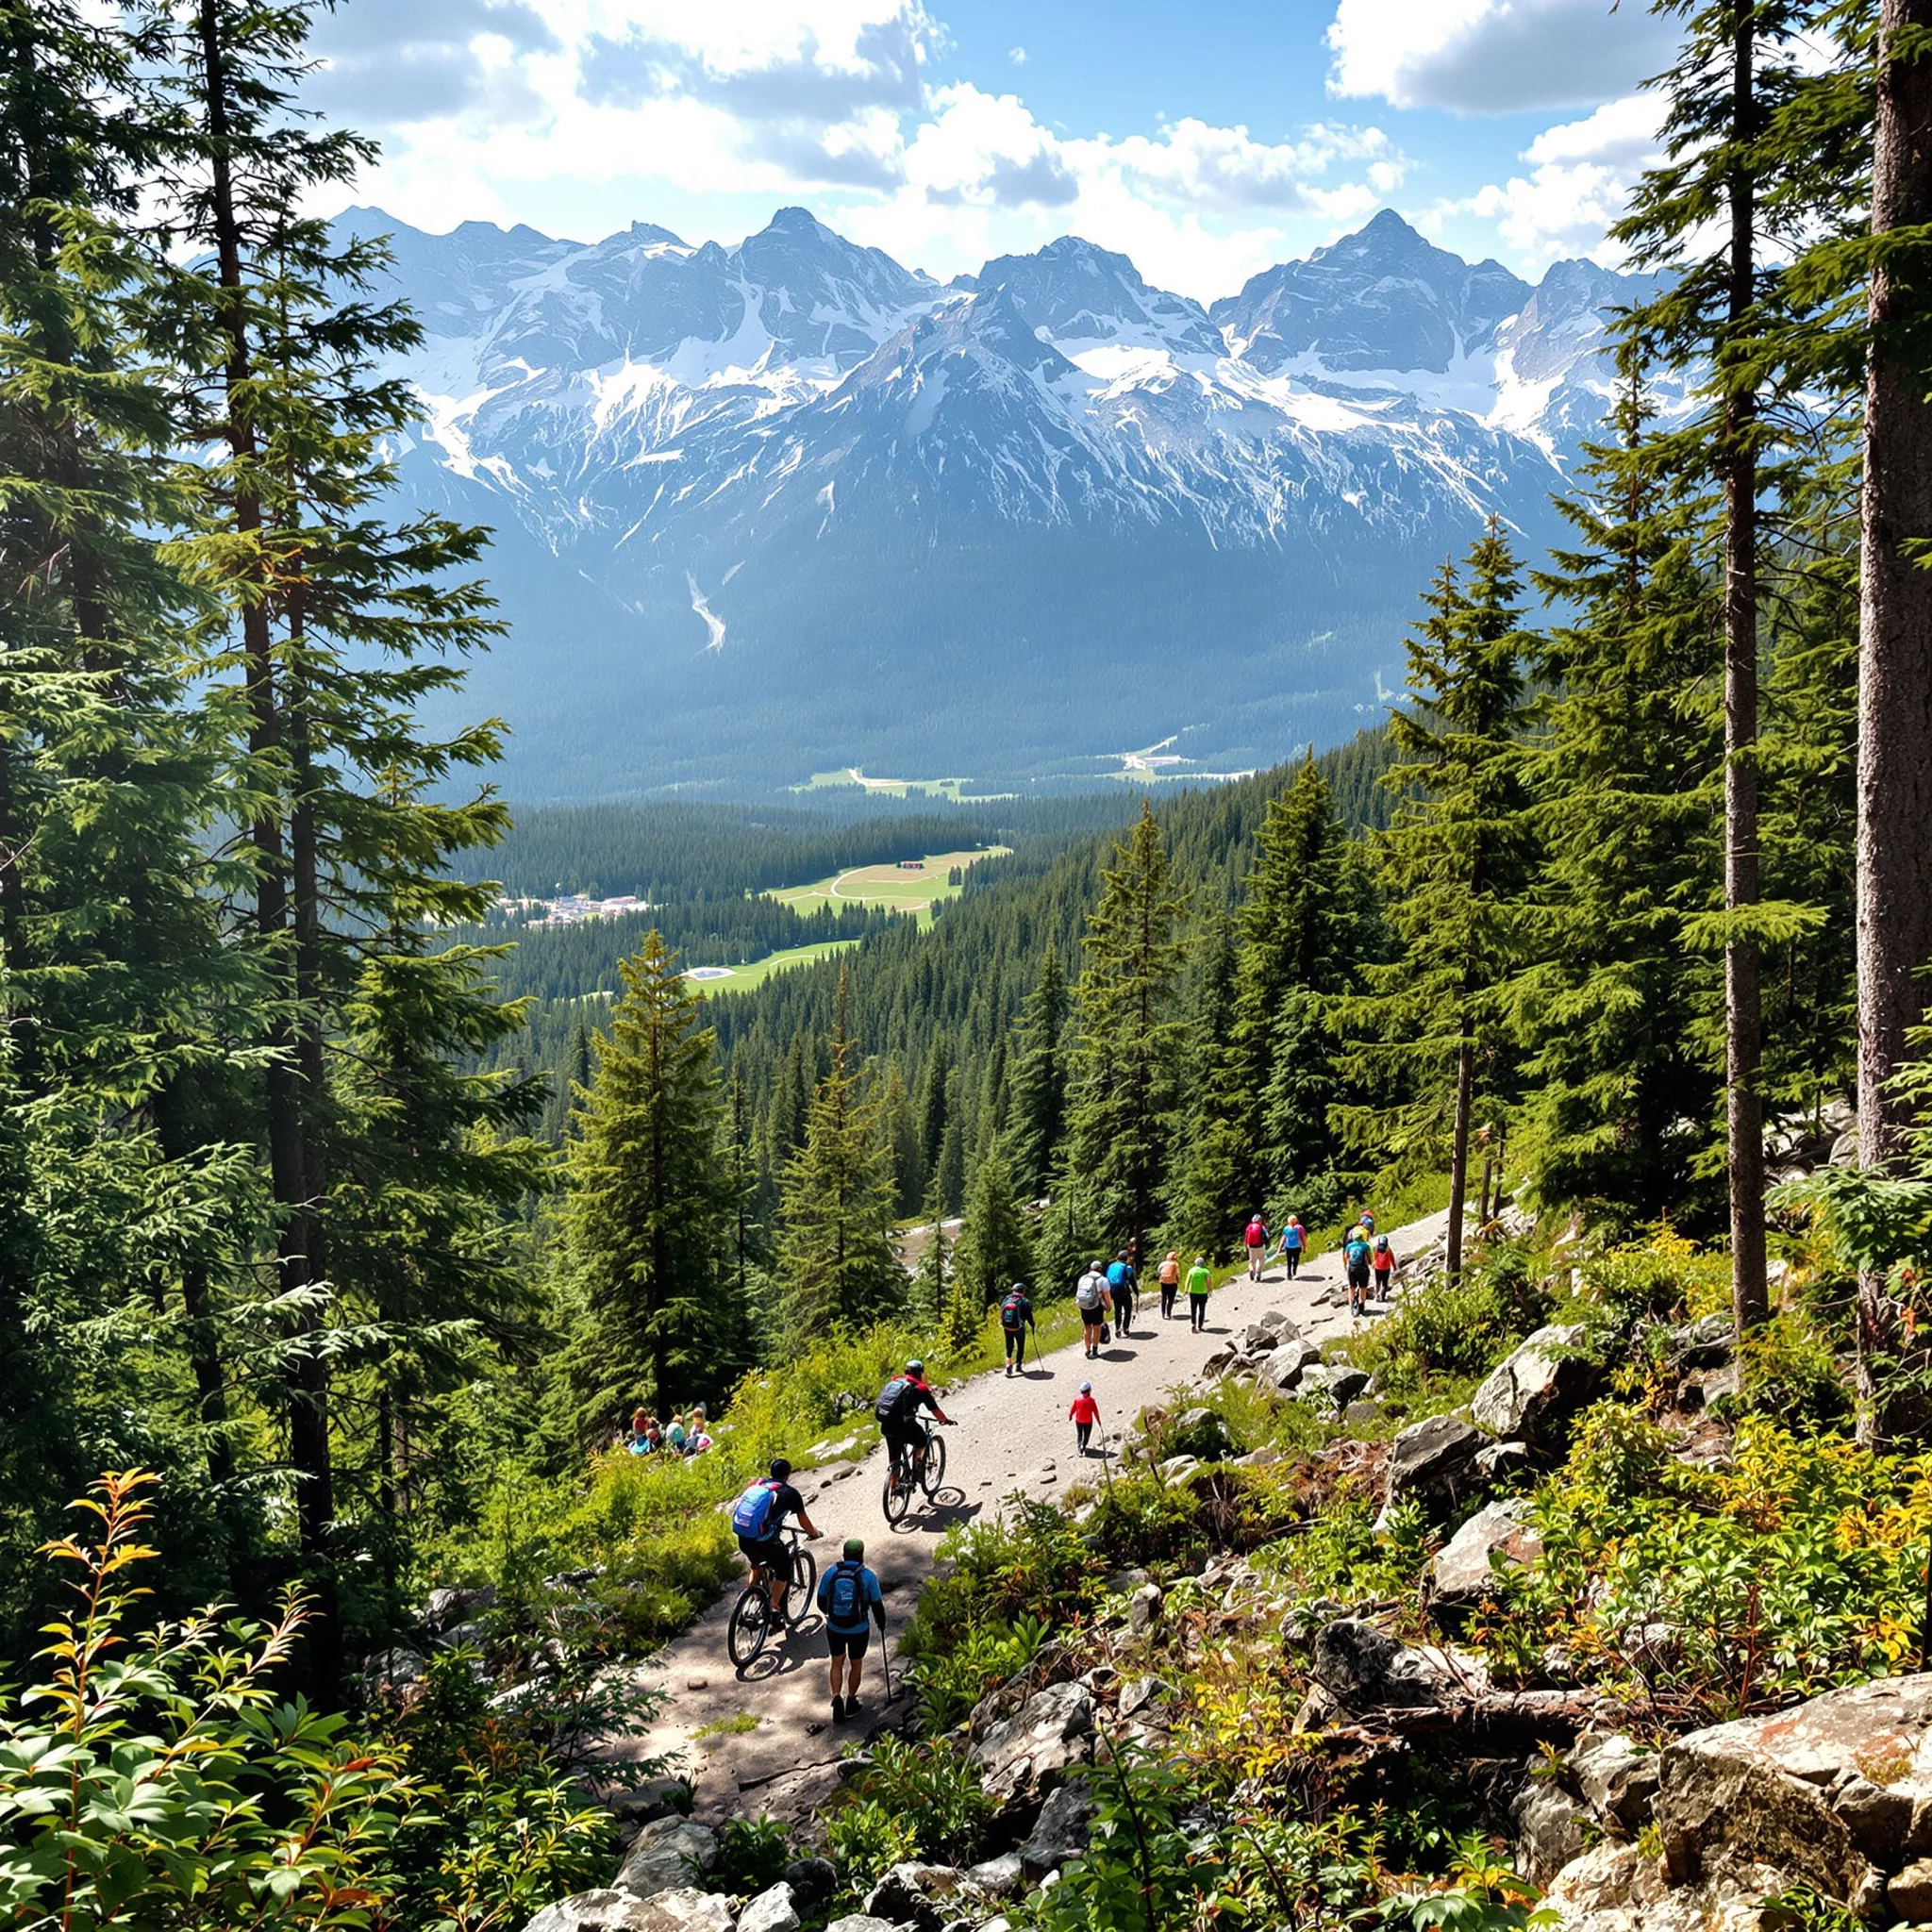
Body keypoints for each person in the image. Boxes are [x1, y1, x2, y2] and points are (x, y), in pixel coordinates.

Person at [730, 1457, 820, 1619]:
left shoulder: (758, 1485)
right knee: (783, 1568)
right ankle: (774, 1607)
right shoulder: (790, 1493)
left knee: (756, 1564)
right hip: (763, 1541)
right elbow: (804, 1521)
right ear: (787, 1475)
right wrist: (813, 1533)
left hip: (744, 1537)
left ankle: (747, 1600)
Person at [818, 1535, 887, 1725]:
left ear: (844, 1554)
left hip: (835, 1628)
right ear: (862, 1555)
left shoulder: (831, 1572)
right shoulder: (868, 1576)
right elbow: (877, 1605)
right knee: (856, 1664)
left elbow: (821, 1601)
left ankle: (836, 1697)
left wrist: (833, 1616)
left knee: (837, 1662)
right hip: (859, 1629)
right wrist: (881, 1623)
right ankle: (851, 1700)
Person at [874, 1358, 954, 1485]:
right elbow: (935, 1410)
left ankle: (893, 1487)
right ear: (920, 1373)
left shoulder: (896, 1382)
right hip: (903, 1426)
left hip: (886, 1425)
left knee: (894, 1457)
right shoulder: (920, 1389)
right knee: (922, 1440)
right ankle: (918, 1469)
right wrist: (945, 1420)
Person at [1074, 1259, 1110, 1358]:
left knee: (1087, 1327)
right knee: (1096, 1328)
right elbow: (1106, 1295)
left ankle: (1087, 1350)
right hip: (1096, 1306)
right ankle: (1095, 1350)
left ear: (1091, 1269)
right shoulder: (1103, 1279)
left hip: (1083, 1306)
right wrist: (1108, 1306)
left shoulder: (1082, 1278)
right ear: (1100, 1269)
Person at [998, 1281, 1035, 1375]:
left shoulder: (1006, 1299)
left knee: (1009, 1347)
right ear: (1022, 1291)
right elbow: (1029, 1316)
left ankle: (1008, 1366)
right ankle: (1018, 1365)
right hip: (1019, 1328)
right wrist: (1032, 1325)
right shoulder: (1024, 1301)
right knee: (1020, 1346)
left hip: (1007, 1327)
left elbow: (1002, 1312)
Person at [1344, 1227, 1374, 1316]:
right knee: (1363, 1288)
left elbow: (1346, 1257)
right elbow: (1371, 1259)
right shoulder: (1366, 1246)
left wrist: (1347, 1266)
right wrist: (1370, 1263)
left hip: (1352, 1269)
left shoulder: (1349, 1246)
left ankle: (1352, 1305)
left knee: (1351, 1287)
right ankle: (1361, 1306)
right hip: (1363, 1269)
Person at [1106, 1251, 1137, 1336]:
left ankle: (1117, 1328)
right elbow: (1132, 1281)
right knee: (1128, 1309)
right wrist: (1136, 1292)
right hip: (1123, 1291)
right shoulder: (1127, 1267)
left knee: (1118, 1309)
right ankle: (1125, 1328)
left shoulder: (1111, 1266)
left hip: (1113, 1291)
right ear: (1126, 1258)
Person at [1069, 1381, 1101, 1456]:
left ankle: (1080, 1447)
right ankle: (1083, 1446)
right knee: (1086, 1435)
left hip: (1079, 1420)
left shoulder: (1077, 1399)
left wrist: (1070, 1415)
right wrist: (1099, 1421)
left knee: (1080, 1434)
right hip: (1088, 1421)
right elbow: (1095, 1412)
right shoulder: (1091, 1401)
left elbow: (1073, 1408)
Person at [1185, 1254, 1213, 1332]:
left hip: (1193, 1292)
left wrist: (1186, 1290)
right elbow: (1208, 1282)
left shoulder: (1191, 1270)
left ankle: (1193, 1324)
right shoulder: (1206, 1271)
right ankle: (1200, 1326)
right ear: (1203, 1263)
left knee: (1193, 1309)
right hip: (1203, 1293)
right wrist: (1209, 1290)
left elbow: (1187, 1281)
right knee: (1202, 1309)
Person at [1370, 1233, 1397, 1301]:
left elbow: (1373, 1258)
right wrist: (1394, 1267)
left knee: (1377, 1282)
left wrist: (1373, 1264)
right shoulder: (1388, 1249)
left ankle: (1376, 1296)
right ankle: (1383, 1296)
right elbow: (1392, 1259)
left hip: (1377, 1268)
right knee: (1385, 1283)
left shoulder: (1376, 1248)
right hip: (1386, 1268)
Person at [1243, 1212, 1269, 1281]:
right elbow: (1267, 1236)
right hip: (1260, 1246)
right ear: (1260, 1220)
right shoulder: (1262, 1227)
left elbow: (1246, 1237)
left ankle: (1252, 1270)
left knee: (1252, 1261)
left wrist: (1246, 1246)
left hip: (1251, 1246)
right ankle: (1258, 1272)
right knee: (1261, 1259)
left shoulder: (1249, 1227)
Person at [1158, 1250, 1182, 1319]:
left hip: (1163, 1282)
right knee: (1171, 1299)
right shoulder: (1175, 1264)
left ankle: (1163, 1313)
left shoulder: (1163, 1264)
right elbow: (1178, 1274)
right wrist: (1178, 1280)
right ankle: (1168, 1313)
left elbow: (1159, 1271)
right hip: (1172, 1283)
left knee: (1164, 1297)